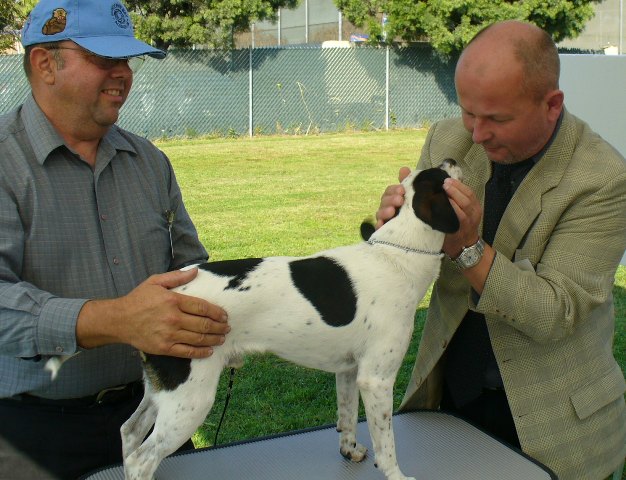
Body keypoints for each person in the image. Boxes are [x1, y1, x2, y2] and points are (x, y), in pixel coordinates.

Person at [377, 20, 626, 480]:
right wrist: (400, 230)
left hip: (557, 430)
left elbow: (555, 312)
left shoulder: (603, 177)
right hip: (451, 403)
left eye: (496, 118)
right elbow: (416, 267)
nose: (475, 134)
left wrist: (468, 247)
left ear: (552, 105)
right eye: (468, 111)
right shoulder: (447, 138)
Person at [0, 0, 231, 478]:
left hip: (157, 413)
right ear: (46, 63)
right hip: (32, 433)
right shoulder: (6, 163)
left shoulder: (149, 162)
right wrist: (116, 320)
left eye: (127, 61)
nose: (123, 74)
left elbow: (190, 268)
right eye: (105, 60)